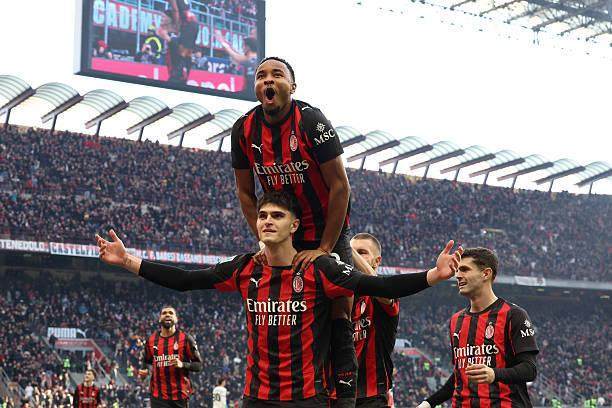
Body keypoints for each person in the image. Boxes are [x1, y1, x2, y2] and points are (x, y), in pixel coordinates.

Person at [95, 191, 463, 407]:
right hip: (257, 397)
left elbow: (380, 287)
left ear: (294, 225)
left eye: (277, 215)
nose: (267, 220)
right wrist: (128, 261)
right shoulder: (245, 268)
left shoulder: (318, 269)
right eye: (262, 215)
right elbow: (187, 280)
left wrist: (433, 275)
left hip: (307, 398)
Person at [231, 57, 357, 405]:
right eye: (261, 76)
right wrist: (264, 241)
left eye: (277, 74)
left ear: (292, 86)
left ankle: (346, 397)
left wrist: (325, 248)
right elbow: (245, 193)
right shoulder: (243, 130)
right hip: (286, 234)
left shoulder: (311, 121)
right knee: (282, 309)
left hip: (327, 230)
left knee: (340, 308)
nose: (268, 80)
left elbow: (341, 187)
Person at [417, 248, 539, 408]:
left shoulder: (513, 315)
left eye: (465, 269)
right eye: (457, 270)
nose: (458, 275)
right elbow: (460, 374)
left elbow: (529, 369)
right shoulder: (456, 321)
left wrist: (494, 374)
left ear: (486, 274)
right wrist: (428, 403)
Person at [350, 233, 398, 408]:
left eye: (361, 252)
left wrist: (347, 249)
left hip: (371, 397)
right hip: (334, 394)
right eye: (352, 252)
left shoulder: (384, 296)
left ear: (376, 262)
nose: (354, 257)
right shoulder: (337, 294)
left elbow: (382, 290)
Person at [138, 306, 203, 408]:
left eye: (171, 313)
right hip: (158, 396)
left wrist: (183, 364)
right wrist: (144, 371)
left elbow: (199, 365)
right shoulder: (151, 340)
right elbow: (146, 361)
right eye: (164, 313)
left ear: (176, 319)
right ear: (159, 318)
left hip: (180, 395)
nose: (167, 315)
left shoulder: (186, 339)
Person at [159, 0, 199, 83]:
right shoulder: (178, 31)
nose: (161, 19)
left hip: (189, 23)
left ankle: (182, 73)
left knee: (182, 54)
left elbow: (175, 9)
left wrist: (168, 38)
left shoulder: (178, 31)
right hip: (191, 23)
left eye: (163, 17)